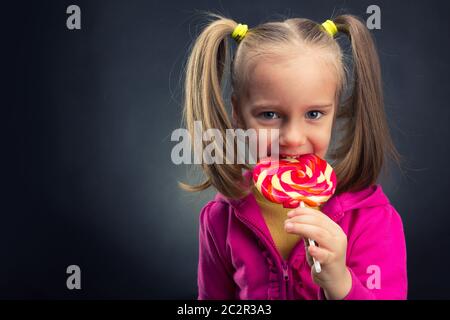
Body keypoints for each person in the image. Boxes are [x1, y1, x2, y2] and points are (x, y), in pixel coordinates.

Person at [179, 12, 407, 300]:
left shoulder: (372, 220)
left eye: (314, 114)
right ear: (238, 114)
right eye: (270, 115)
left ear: (334, 110)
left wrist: (340, 282)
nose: (293, 138)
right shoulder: (221, 218)